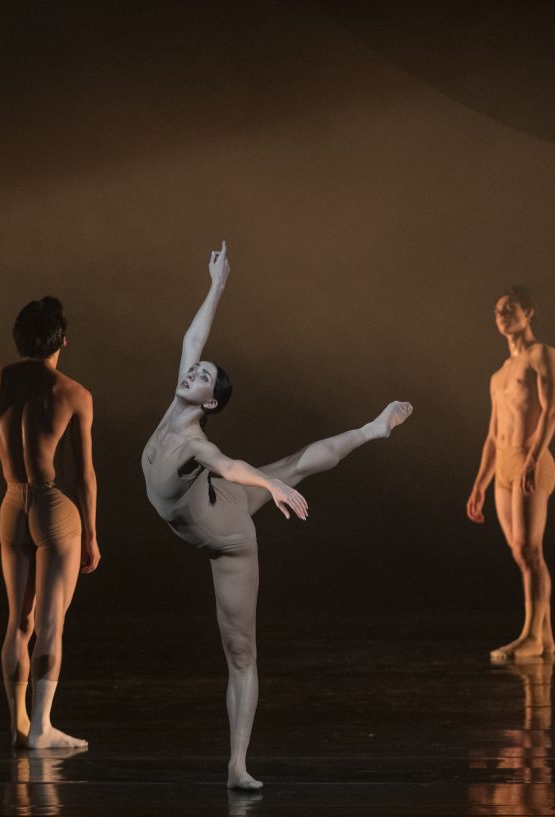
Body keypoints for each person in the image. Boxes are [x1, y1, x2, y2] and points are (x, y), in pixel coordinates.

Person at [142, 241, 412, 789]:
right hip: (220, 500)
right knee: (295, 463)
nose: (192, 374)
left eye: (201, 378)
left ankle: (237, 764)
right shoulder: (177, 405)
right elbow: (193, 340)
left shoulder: (195, 441)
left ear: (210, 403)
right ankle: (371, 430)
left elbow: (227, 464)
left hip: (229, 535)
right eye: (194, 372)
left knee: (240, 652)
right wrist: (217, 285)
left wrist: (267, 485)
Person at [0, 297, 100, 749]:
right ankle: (42, 726)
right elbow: (84, 475)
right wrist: (92, 534)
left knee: (18, 623)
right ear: (62, 341)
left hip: (11, 505)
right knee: (50, 623)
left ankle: (18, 725)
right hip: (52, 507)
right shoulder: (74, 393)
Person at [466, 287, 555, 659]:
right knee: (520, 554)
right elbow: (493, 435)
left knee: (528, 549)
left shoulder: (542, 355)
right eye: (497, 311)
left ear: (528, 312)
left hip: (529, 457)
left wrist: (533, 458)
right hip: (504, 465)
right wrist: (480, 484)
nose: (502, 316)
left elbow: (552, 410)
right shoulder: (499, 374)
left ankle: (531, 635)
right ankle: (545, 638)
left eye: (509, 309)